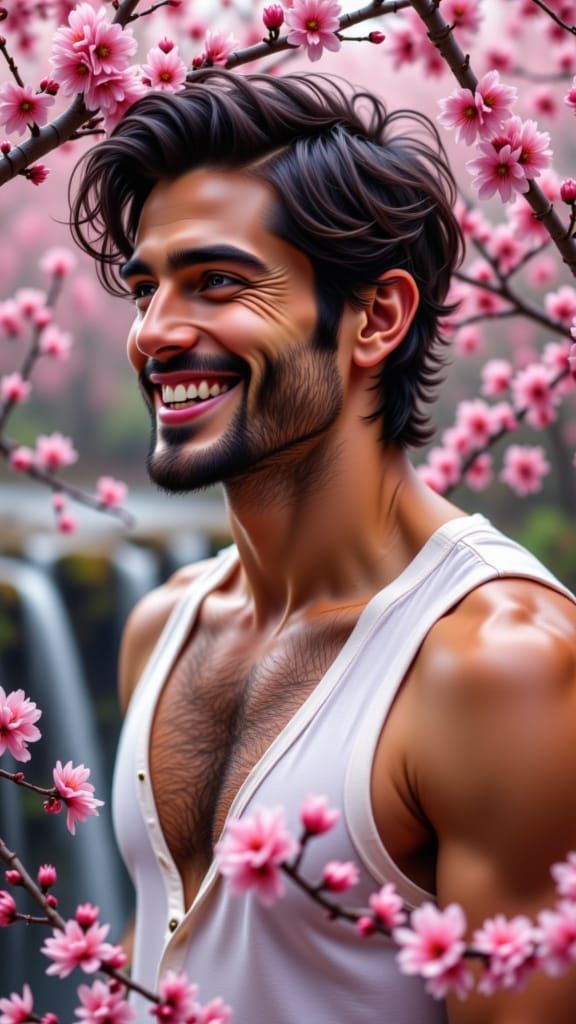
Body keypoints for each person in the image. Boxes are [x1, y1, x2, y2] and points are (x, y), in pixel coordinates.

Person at [70, 70, 576, 1023]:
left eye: (217, 282)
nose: (155, 333)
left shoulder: (498, 669)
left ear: (376, 318)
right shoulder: (163, 627)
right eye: (147, 288)